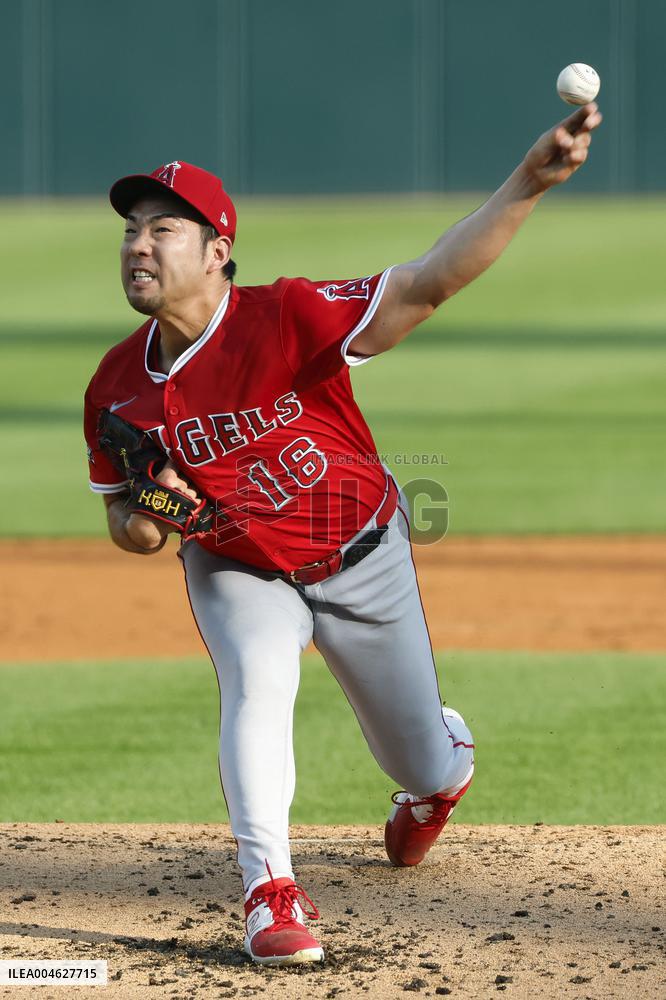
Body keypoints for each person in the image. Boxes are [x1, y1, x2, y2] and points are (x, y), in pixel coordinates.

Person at [84, 103, 601, 967]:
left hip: (363, 554)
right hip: (238, 566)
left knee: (420, 758)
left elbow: (427, 284)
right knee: (256, 680)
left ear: (218, 253)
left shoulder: (284, 315)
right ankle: (269, 891)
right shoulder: (114, 389)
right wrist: (151, 515)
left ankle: (441, 779)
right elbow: (125, 526)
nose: (139, 244)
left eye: (164, 229)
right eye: (132, 231)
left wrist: (529, 183)